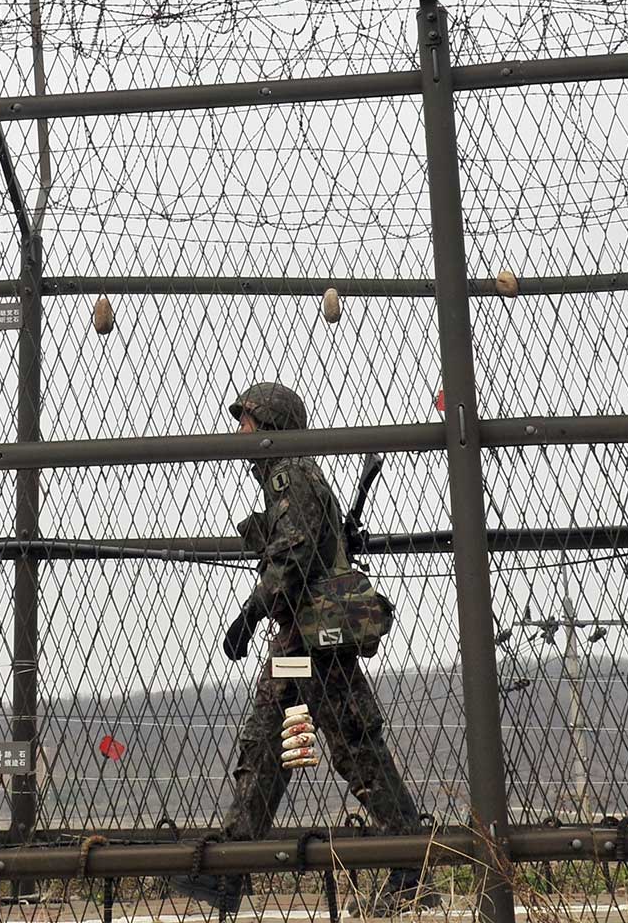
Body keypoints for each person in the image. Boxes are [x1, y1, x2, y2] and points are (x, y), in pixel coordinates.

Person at [171, 382, 431, 916]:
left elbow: (294, 553)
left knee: (343, 744)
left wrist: (250, 613)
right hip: (303, 639)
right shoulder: (292, 476)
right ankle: (234, 865)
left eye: (246, 421)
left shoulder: (291, 474)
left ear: (270, 425)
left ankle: (410, 861)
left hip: (314, 640)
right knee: (276, 739)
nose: (239, 431)